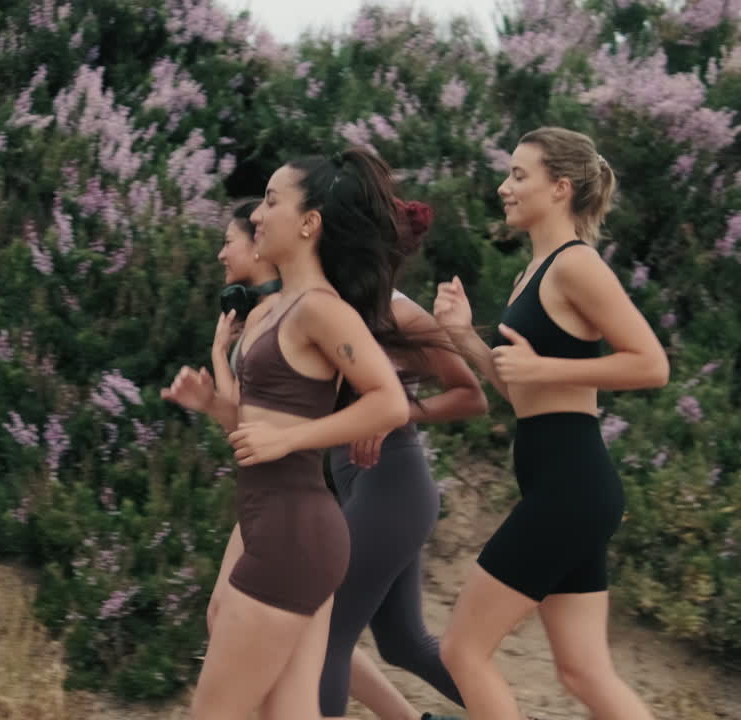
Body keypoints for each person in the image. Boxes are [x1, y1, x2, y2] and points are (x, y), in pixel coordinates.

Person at [163, 147, 415, 720]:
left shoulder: (321, 310)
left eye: (272, 201)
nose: (257, 215)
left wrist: (292, 439)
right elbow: (258, 430)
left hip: (295, 533)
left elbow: (389, 402)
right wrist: (213, 405)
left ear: (309, 223)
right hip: (269, 522)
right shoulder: (267, 311)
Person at [208, 198, 482, 720]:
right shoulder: (319, 306)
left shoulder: (394, 309)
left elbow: (471, 395)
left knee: (324, 633)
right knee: (401, 640)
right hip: (347, 483)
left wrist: (394, 415)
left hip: (392, 485)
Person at [432, 127, 669, 720]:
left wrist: (545, 364)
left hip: (570, 486)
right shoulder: (533, 273)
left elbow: (652, 364)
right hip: (564, 486)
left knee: (463, 650)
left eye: (518, 175)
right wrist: (464, 337)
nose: (503, 187)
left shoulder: (575, 265)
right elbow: (521, 391)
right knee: (584, 672)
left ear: (560, 188)